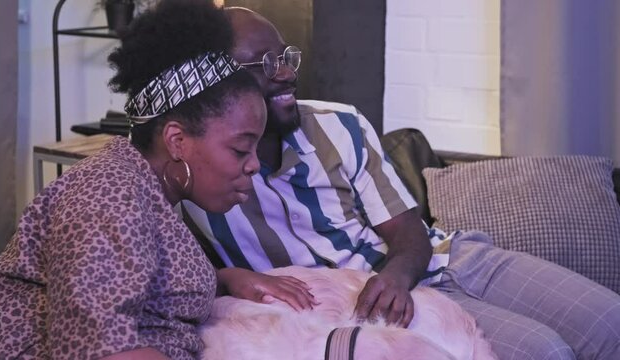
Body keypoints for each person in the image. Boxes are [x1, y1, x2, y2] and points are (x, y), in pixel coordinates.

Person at [181, 6, 620, 360]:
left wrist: (395, 276)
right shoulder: (194, 171)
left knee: (611, 324)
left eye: (286, 56)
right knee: (544, 350)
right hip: (371, 308)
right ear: (214, 82)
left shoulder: (339, 124)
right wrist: (226, 276)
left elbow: (409, 232)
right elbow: (161, 274)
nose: (286, 73)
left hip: (446, 262)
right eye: (266, 63)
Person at [0, 1, 317, 359]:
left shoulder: (147, 191)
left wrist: (227, 278)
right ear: (177, 141)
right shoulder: (106, 197)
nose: (253, 166)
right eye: (239, 150)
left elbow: (140, 282)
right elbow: (95, 351)